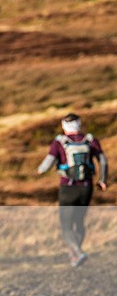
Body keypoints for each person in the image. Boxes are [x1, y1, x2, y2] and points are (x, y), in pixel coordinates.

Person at [38, 113, 108, 267]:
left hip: (67, 188)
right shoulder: (90, 140)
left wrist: (40, 170)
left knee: (66, 225)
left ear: (64, 125)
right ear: (79, 124)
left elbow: (46, 165)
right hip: (86, 187)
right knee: (79, 221)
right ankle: (75, 255)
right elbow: (103, 160)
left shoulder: (59, 142)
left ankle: (77, 252)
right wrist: (102, 180)